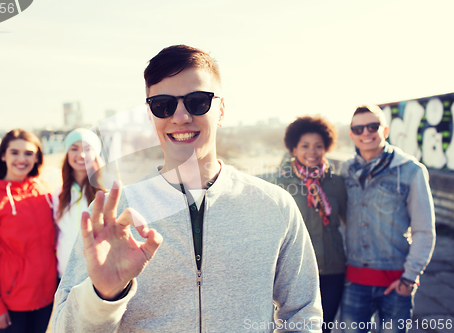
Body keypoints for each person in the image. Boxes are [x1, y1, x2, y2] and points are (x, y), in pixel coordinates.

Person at [53, 45, 322, 332]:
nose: (180, 116)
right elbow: (62, 327)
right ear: (150, 115)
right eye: (163, 105)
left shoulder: (274, 205)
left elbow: (303, 313)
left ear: (220, 109)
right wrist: (104, 296)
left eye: (197, 101)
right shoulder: (112, 214)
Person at [340, 105, 436, 333]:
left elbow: (424, 230)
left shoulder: (411, 171)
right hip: (354, 281)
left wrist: (409, 279)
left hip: (396, 281)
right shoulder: (345, 170)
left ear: (385, 129)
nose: (366, 133)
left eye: (373, 126)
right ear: (352, 134)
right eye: (359, 128)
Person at [0, 129, 57, 333]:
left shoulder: (43, 190)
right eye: (14, 152)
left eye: (28, 153)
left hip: (47, 296)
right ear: (3, 155)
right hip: (12, 301)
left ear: (37, 157)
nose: (22, 159)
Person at [273, 115, 347, 333]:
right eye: (305, 146)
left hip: (333, 268)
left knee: (325, 327)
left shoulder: (336, 183)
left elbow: (348, 220)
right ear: (293, 149)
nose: (312, 151)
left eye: (318, 146)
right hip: (296, 272)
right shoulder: (281, 184)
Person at [52, 128, 104, 281]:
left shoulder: (107, 192)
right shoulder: (58, 195)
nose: (81, 155)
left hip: (96, 277)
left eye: (87, 149)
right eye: (74, 149)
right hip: (64, 277)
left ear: (96, 153)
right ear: (67, 153)